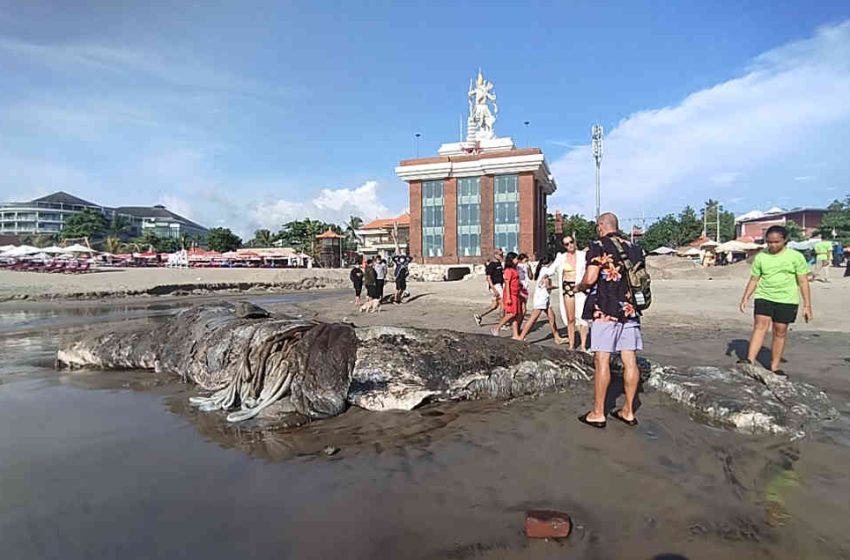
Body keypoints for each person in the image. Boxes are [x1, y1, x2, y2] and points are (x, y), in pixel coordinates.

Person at [576, 213, 643, 429]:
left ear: (602, 226)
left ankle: (598, 413)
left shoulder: (598, 245)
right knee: (629, 360)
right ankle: (628, 411)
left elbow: (591, 277)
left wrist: (580, 287)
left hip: (605, 309)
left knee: (602, 360)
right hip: (630, 309)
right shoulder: (634, 248)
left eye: (597, 226)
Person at [739, 225, 813, 376]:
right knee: (760, 326)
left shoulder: (795, 257)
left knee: (780, 331)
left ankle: (774, 366)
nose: (772, 245)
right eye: (769, 242)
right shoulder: (761, 257)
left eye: (776, 242)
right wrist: (745, 297)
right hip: (764, 296)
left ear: (785, 240)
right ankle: (750, 359)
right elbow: (754, 279)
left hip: (786, 299)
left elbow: (803, 281)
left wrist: (807, 305)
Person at [517, 254, 566, 343]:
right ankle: (521, 337)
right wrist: (558, 286)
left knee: (552, 317)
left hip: (544, 297)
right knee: (533, 318)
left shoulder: (542, 270)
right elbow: (547, 286)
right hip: (542, 298)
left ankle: (557, 337)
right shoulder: (546, 271)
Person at [553, 235, 589, 352]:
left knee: (583, 318)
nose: (570, 245)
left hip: (580, 287)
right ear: (564, 246)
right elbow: (551, 268)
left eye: (571, 242)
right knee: (570, 318)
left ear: (575, 241)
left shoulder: (583, 256)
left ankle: (583, 345)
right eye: (566, 244)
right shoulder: (561, 257)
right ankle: (571, 344)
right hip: (567, 287)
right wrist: (544, 276)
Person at [491, 252, 522, 339]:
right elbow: (507, 284)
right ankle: (497, 327)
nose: (517, 260)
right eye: (516, 258)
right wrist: (508, 297)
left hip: (516, 294)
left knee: (516, 314)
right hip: (510, 294)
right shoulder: (508, 271)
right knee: (511, 313)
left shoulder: (514, 269)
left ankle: (515, 335)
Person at [474, 250, 504, 325]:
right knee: (503, 303)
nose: (502, 256)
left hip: (500, 285)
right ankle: (502, 323)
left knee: (494, 306)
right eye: (500, 254)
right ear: (495, 255)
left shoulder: (499, 264)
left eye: (502, 254)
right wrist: (493, 289)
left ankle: (479, 315)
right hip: (495, 286)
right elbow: (488, 278)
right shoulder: (492, 265)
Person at [516, 253, 531, 322]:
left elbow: (531, 277)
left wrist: (529, 269)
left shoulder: (527, 266)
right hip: (520, 287)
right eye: (525, 259)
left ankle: (519, 322)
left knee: (524, 308)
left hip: (525, 287)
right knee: (520, 306)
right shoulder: (517, 266)